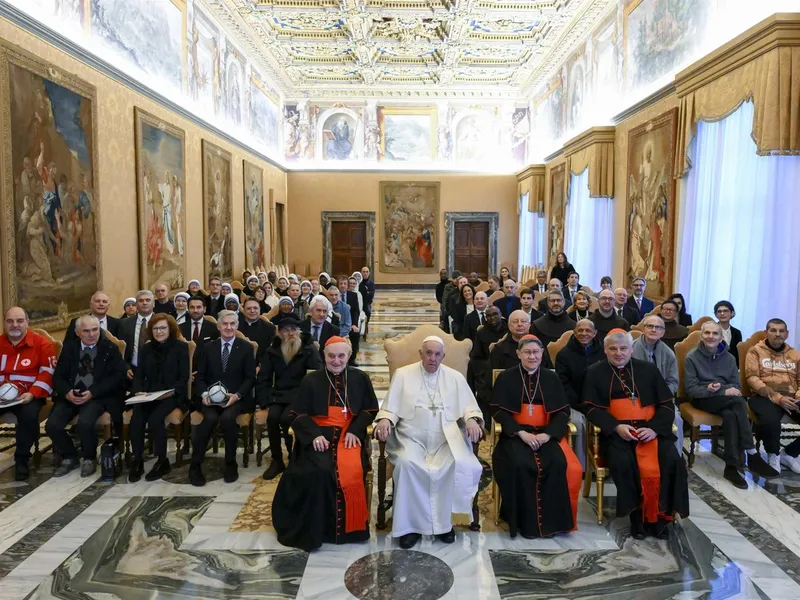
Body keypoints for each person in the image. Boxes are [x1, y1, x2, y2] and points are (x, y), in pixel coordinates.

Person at [374, 336, 483, 549]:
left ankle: (444, 526)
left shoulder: (455, 378)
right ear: (420, 353)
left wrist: (471, 419)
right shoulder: (403, 375)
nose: (432, 358)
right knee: (407, 465)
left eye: (437, 354)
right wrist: (385, 419)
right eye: (428, 353)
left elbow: (469, 406)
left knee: (453, 464)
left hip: (446, 439)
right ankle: (410, 528)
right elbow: (390, 406)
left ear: (444, 356)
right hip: (410, 439)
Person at [272, 337, 378, 550]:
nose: (336, 361)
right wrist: (313, 436)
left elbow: (370, 409)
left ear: (349, 356)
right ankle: (318, 529)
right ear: (324, 356)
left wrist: (356, 430)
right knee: (319, 471)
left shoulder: (360, 378)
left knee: (351, 470)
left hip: (349, 435)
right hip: (319, 436)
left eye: (341, 356)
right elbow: (298, 413)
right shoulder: (311, 380)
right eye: (331, 356)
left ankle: (351, 530)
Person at [581, 329, 689, 539]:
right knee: (624, 462)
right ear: (605, 350)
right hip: (617, 433)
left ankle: (660, 517)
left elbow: (666, 405)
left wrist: (654, 429)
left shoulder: (648, 370)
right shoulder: (594, 372)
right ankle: (637, 517)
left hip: (650, 431)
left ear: (631, 349)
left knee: (671, 460)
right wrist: (615, 427)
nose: (618, 353)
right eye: (613, 348)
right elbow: (590, 408)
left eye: (623, 348)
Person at [491, 335, 582, 538]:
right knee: (521, 465)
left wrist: (548, 435)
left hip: (544, 435)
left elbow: (562, 412)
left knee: (557, 463)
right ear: (519, 354)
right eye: (527, 352)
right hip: (516, 435)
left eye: (536, 352)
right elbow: (498, 411)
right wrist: (520, 433)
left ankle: (552, 524)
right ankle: (525, 524)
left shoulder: (552, 377)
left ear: (542, 353)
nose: (532, 356)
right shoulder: (507, 377)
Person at [685, 322, 776, 486]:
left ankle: (731, 467)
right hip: (702, 400)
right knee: (738, 402)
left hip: (727, 401)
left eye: (715, 334)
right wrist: (718, 390)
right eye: (707, 333)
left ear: (721, 337)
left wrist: (723, 389)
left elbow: (736, 386)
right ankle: (752, 454)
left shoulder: (729, 358)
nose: (711, 336)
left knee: (730, 414)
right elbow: (692, 390)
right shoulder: (692, 357)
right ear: (702, 335)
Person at [49, 315, 126, 477]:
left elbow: (117, 377)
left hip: (97, 396)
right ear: (77, 332)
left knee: (85, 422)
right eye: (86, 331)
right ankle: (70, 456)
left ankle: (89, 458)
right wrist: (67, 392)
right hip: (72, 394)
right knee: (52, 425)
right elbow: (58, 377)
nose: (92, 334)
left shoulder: (109, 348)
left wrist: (93, 392)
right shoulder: (70, 348)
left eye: (95, 330)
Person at [190, 310, 257, 486]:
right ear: (219, 326)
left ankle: (230, 462)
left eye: (232, 324)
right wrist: (204, 394)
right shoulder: (207, 348)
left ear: (237, 326)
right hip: (210, 399)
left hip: (235, 398)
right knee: (210, 419)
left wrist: (237, 395)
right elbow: (201, 376)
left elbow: (250, 378)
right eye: (225, 324)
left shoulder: (246, 348)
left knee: (228, 419)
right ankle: (195, 465)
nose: (228, 327)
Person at [258, 316, 322, 480]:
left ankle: (294, 457)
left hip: (301, 395)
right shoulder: (273, 350)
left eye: (294, 330)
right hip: (279, 394)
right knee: (272, 419)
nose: (291, 333)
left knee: (287, 419)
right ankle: (277, 460)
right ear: (280, 333)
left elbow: (317, 375)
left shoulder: (308, 348)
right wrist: (264, 402)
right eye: (286, 330)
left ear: (299, 332)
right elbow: (264, 378)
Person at [128, 314, 189, 482]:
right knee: (137, 419)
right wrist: (138, 391)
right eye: (155, 328)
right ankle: (138, 460)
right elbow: (139, 375)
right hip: (149, 394)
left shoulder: (181, 348)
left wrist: (171, 392)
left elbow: (184, 378)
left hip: (173, 394)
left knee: (156, 419)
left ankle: (163, 461)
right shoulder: (146, 349)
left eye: (163, 328)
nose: (159, 332)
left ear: (170, 329)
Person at [0, 307, 57, 480]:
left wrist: (32, 393)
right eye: (10, 321)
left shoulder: (42, 344)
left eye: (19, 321)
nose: (15, 325)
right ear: (4, 323)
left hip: (28, 396)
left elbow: (48, 373)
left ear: (27, 322)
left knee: (29, 417)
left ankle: (22, 459)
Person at [746, 318, 800, 474]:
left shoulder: (794, 354)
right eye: (773, 330)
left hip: (792, 398)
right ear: (766, 332)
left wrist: (797, 397)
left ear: (787, 334)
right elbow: (752, 379)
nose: (778, 334)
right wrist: (778, 398)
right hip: (763, 396)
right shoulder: (755, 351)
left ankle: (789, 454)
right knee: (770, 421)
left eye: (781, 331)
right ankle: (773, 455)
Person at [554, 319, 603, 467]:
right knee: (578, 424)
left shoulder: (604, 352)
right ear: (574, 333)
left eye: (588, 331)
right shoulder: (564, 354)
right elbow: (563, 384)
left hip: (599, 401)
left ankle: (603, 464)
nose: (584, 334)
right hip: (574, 403)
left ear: (594, 333)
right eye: (580, 330)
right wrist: (580, 404)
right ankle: (581, 467)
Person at [118, 290, 155, 376]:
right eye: (141, 301)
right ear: (137, 304)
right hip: (132, 371)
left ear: (153, 304)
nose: (144, 303)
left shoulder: (162, 322)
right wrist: (126, 367)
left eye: (148, 300)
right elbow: (120, 350)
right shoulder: (124, 323)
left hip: (156, 371)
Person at [239, 297, 276, 364]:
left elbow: (269, 351)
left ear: (260, 310)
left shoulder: (269, 328)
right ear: (243, 310)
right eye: (248, 308)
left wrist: (260, 365)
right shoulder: (236, 326)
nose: (252, 311)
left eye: (255, 308)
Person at [338, 276, 361, 365]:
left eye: (345, 284)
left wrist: (354, 324)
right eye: (341, 284)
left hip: (350, 323)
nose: (343, 286)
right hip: (337, 324)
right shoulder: (334, 295)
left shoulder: (353, 295)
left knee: (355, 334)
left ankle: (352, 359)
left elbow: (356, 311)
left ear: (347, 285)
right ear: (338, 285)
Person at [715, 301, 743, 366]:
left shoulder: (737, 333)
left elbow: (738, 355)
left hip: (732, 368)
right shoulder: (711, 331)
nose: (722, 313)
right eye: (719, 311)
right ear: (716, 315)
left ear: (732, 313)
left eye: (725, 311)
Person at [359, 266, 375, 340]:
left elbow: (370, 295)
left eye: (366, 272)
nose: (365, 273)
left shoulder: (371, 283)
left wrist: (366, 293)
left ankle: (365, 330)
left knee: (367, 313)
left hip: (366, 303)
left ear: (369, 273)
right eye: (363, 272)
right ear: (361, 273)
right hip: (358, 302)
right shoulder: (358, 283)